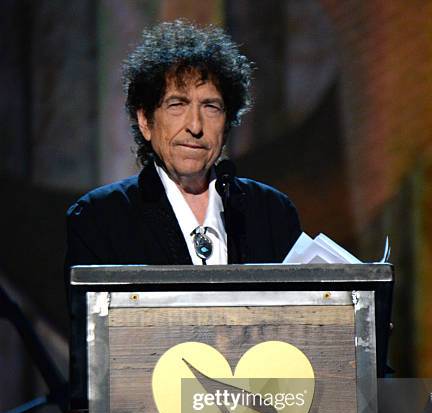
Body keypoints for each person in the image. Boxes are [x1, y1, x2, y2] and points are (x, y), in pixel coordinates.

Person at [65, 20, 301, 272]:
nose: (195, 126)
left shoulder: (271, 212)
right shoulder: (100, 218)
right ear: (146, 121)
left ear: (227, 123)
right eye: (177, 104)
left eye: (211, 107)